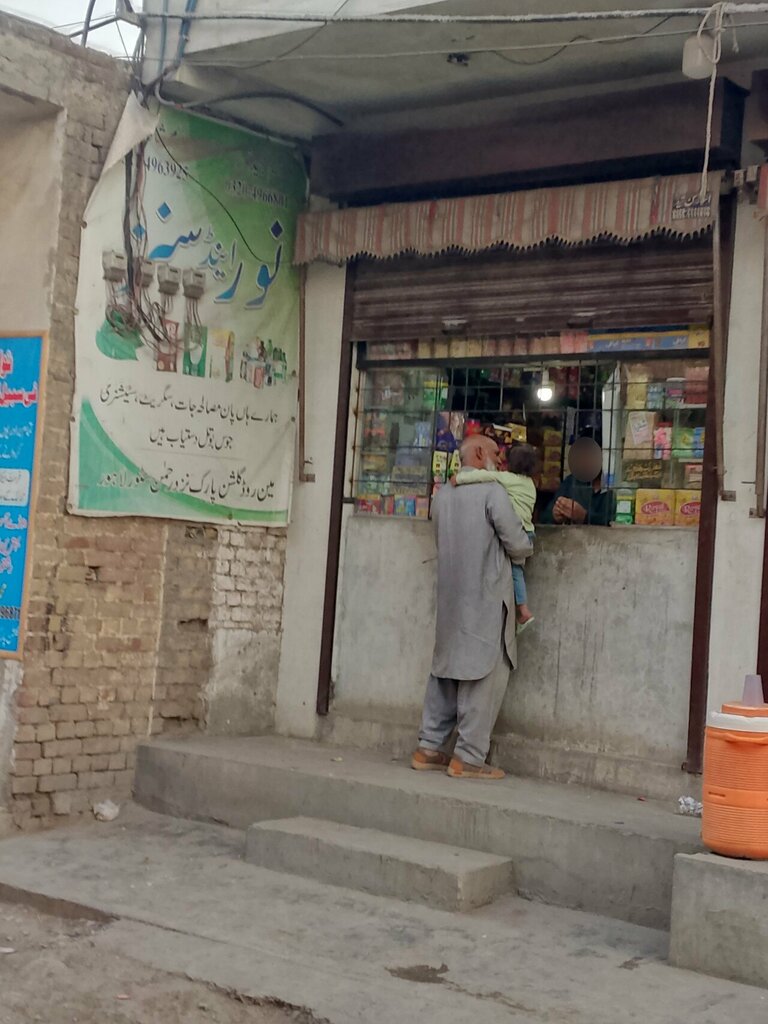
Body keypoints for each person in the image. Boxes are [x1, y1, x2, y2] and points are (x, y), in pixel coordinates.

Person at [411, 434, 533, 781]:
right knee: (486, 674)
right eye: (497, 453)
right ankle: (468, 757)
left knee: (445, 671)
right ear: (480, 454)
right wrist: (527, 545)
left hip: (451, 597)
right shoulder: (493, 492)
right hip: (486, 596)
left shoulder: (444, 494)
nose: (501, 461)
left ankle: (428, 746)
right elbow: (516, 543)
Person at [454, 443, 540, 632]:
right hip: (529, 531)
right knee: (516, 572)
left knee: (515, 573)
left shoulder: (508, 479)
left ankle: (523, 610)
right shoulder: (530, 485)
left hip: (518, 531)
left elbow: (484, 476)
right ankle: (519, 611)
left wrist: (459, 478)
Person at [540, 436, 613, 526]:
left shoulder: (614, 485)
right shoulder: (571, 482)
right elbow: (544, 518)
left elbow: (615, 521)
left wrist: (584, 516)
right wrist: (555, 515)